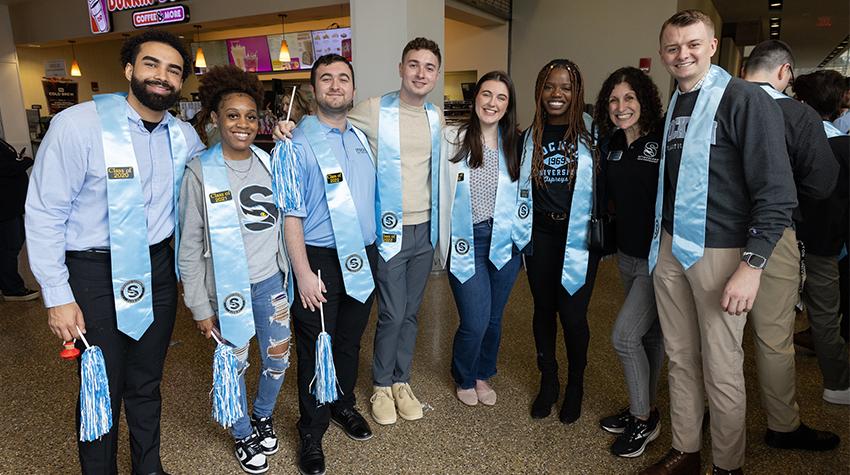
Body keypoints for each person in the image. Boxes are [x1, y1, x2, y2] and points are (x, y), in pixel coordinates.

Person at [25, 30, 205, 474]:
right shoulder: (78, 125)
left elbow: (219, 172)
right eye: (151, 64)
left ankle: (149, 466)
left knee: (147, 382)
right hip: (92, 274)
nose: (161, 76)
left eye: (173, 70)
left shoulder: (183, 137)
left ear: (180, 83)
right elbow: (45, 212)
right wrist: (57, 296)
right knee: (99, 387)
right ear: (129, 69)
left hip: (156, 270)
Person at [639, 11, 797, 475]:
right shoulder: (677, 102)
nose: (681, 54)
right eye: (672, 48)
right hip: (670, 247)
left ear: (712, 46)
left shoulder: (745, 100)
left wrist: (752, 265)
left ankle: (728, 466)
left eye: (692, 44)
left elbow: (777, 192)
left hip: (721, 253)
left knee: (722, 365)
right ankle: (686, 451)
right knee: (680, 357)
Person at [178, 65, 291, 475]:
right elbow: (188, 246)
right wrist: (198, 307)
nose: (242, 124)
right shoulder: (199, 172)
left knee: (278, 359)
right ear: (214, 119)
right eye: (232, 115)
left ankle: (262, 415)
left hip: (270, 283)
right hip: (226, 291)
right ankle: (243, 431)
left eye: (249, 116)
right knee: (235, 365)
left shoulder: (268, 160)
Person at [740, 40, 841, 450]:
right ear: (784, 72)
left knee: (716, 334)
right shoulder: (796, 114)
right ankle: (782, 424)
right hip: (774, 230)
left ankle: (713, 409)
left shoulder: (714, 104)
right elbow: (822, 182)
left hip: (713, 231)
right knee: (773, 335)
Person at [285, 54, 378, 475]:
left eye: (344, 79)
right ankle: (312, 428)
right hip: (319, 259)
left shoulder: (360, 137)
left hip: (362, 255)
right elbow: (290, 215)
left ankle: (342, 404)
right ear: (313, 89)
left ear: (353, 89)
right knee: (315, 347)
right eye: (326, 78)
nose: (336, 85)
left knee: (347, 342)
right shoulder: (296, 142)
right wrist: (302, 272)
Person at [347, 37, 444, 425]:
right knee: (392, 311)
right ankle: (381, 384)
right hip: (391, 231)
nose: (421, 73)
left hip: (426, 229)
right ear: (401, 68)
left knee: (413, 312)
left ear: (435, 75)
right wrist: (291, 128)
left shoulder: (436, 117)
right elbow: (331, 125)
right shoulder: (374, 110)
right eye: (414, 65)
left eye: (429, 67)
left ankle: (403, 380)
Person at [436, 71, 522, 406]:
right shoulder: (451, 138)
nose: (492, 103)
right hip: (466, 242)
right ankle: (463, 375)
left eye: (501, 97)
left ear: (508, 105)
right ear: (475, 99)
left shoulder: (514, 142)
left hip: (505, 241)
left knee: (495, 317)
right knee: (474, 319)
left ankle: (483, 372)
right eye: (487, 94)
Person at [521, 59, 601, 425]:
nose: (557, 94)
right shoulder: (529, 136)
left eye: (566, 87)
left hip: (579, 236)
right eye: (550, 86)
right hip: (541, 233)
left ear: (577, 92)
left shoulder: (591, 133)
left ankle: (576, 385)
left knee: (572, 314)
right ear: (540, 90)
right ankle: (549, 380)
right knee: (543, 309)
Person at [592, 67, 665, 457]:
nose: (621, 107)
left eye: (629, 99)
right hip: (627, 255)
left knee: (623, 336)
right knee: (649, 337)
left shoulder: (663, 140)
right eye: (615, 100)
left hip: (658, 260)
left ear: (644, 100)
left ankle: (642, 420)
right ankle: (647, 408)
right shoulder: (613, 143)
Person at [793, 70, 850, 406]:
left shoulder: (794, 142)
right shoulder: (845, 146)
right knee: (827, 316)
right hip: (827, 246)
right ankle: (838, 384)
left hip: (786, 241)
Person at [0, 138, 38, 301]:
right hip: (4, 208)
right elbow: (5, 168)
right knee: (9, 246)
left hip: (11, 206)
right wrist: (25, 162)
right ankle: (11, 288)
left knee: (12, 243)